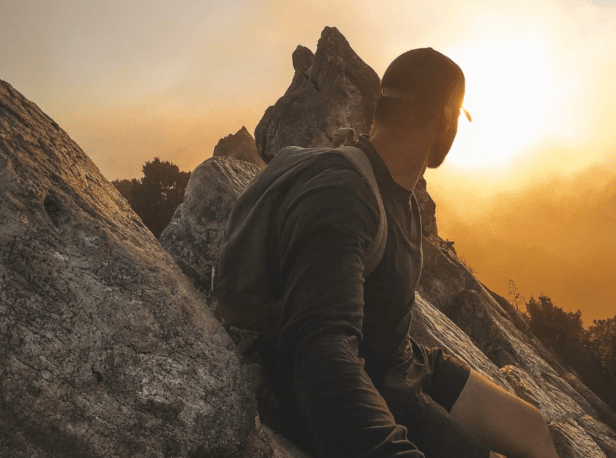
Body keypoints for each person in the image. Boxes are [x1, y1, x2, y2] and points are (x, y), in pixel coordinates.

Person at [235, 48, 559, 458]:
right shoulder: (343, 195)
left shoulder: (394, 187)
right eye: (458, 118)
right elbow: (320, 350)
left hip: (402, 359)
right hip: (370, 378)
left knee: (530, 430)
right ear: (445, 117)